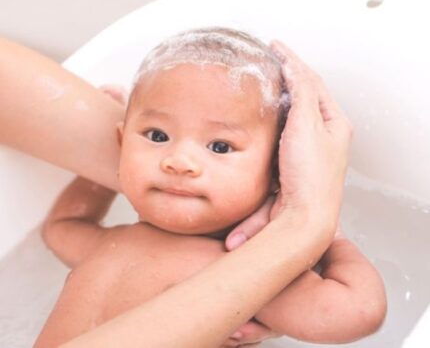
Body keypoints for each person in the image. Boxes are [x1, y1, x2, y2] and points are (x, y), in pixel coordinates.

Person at [33, 28, 386, 347]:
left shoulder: (112, 246)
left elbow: (60, 227)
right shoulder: (240, 271)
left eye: (219, 146)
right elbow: (357, 310)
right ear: (121, 142)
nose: (179, 161)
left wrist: (323, 225)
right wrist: (330, 231)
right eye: (157, 136)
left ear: (277, 170)